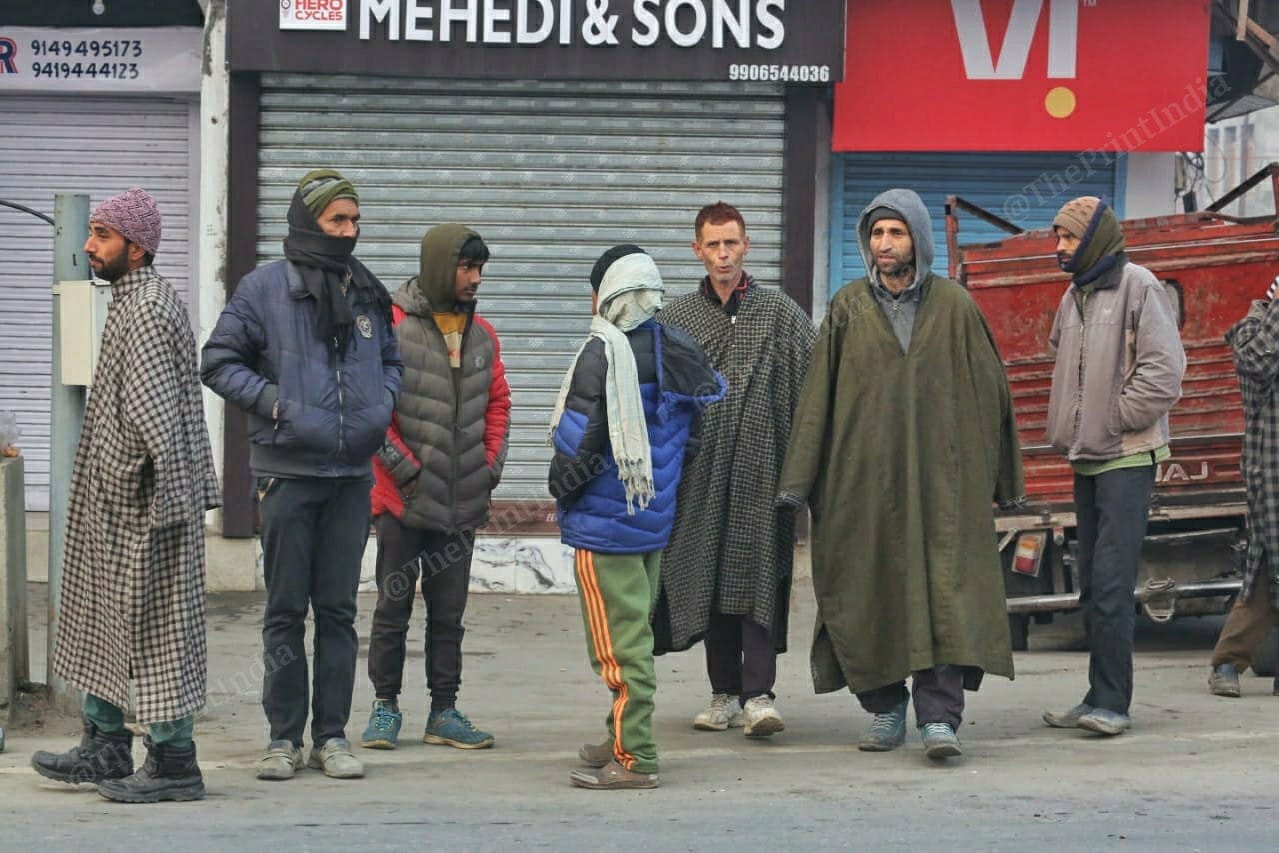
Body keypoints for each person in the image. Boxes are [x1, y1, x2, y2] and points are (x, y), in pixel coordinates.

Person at [777, 189, 1024, 760]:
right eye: (877, 234)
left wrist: (1002, 479)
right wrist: (798, 480)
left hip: (943, 486)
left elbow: (993, 394)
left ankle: (939, 717)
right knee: (872, 591)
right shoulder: (847, 308)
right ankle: (885, 707)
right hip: (864, 485)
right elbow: (817, 398)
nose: (884, 244)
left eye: (896, 232)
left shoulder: (955, 306)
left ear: (919, 239)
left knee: (945, 596)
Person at [202, 169, 402, 780]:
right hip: (286, 475)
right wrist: (278, 405)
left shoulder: (365, 290)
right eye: (337, 219)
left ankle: (332, 737)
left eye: (355, 220)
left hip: (350, 476)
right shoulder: (264, 289)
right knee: (286, 611)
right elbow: (218, 362)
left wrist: (381, 407)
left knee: (338, 612)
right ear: (307, 221)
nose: (349, 231)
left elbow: (391, 360)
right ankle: (283, 738)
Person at [32, 188, 221, 802]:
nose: (89, 246)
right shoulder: (132, 299)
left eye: (103, 235)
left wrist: (144, 495)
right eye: (91, 232)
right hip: (120, 503)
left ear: (136, 248)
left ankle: (174, 762)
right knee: (103, 619)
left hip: (146, 506)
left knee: (159, 630)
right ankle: (105, 745)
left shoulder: (147, 310)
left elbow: (153, 421)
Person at [549, 245, 724, 790]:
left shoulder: (602, 351)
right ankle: (620, 734)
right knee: (635, 636)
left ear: (607, 293)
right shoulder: (679, 347)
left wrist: (562, 492)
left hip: (605, 527)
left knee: (620, 650)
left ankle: (636, 759)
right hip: (652, 521)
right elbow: (692, 441)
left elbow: (577, 443)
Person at [655, 202, 815, 738]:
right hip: (698, 477)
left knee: (759, 576)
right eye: (713, 245)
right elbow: (658, 398)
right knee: (709, 575)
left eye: (731, 243)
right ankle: (723, 692)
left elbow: (814, 386)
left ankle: (759, 696)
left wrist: (804, 469)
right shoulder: (677, 320)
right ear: (697, 250)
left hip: (764, 473)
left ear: (746, 246)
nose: (723, 254)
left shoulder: (780, 313)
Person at [360, 224, 511, 751]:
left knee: (449, 616)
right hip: (401, 503)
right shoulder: (393, 328)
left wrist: (487, 467)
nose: (475, 279)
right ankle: (385, 707)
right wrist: (405, 471)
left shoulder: (483, 335)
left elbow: (499, 403)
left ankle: (443, 711)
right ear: (440, 267)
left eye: (479, 269)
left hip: (461, 502)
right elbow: (373, 410)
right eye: (466, 268)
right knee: (392, 609)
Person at [1040, 196, 1185, 736]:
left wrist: (1114, 418)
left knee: (1111, 585)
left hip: (1126, 458)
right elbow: (1063, 359)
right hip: (1087, 458)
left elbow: (1165, 371)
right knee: (1091, 588)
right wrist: (1075, 425)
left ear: (1095, 238)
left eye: (1069, 238)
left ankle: (1113, 704)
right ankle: (1095, 695)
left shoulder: (1139, 287)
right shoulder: (1074, 294)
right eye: (1057, 238)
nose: (1060, 248)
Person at [1207, 276, 1279, 698]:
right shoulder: (1252, 329)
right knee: (1265, 570)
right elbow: (1258, 365)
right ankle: (1227, 662)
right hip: (1271, 474)